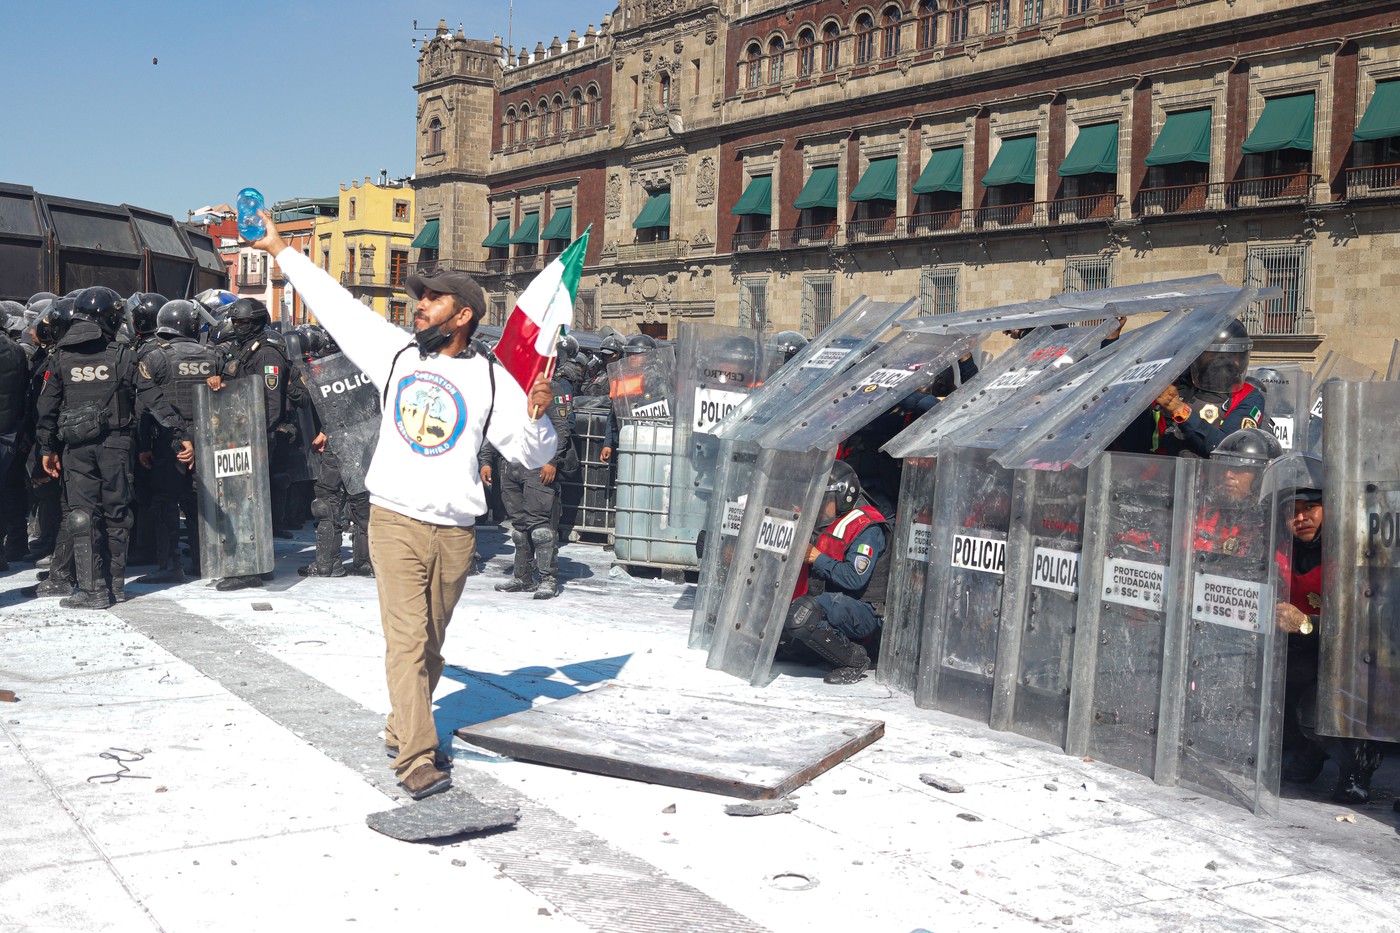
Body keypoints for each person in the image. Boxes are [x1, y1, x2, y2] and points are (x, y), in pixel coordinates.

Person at [249, 211, 556, 801]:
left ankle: (400, 723)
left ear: (462, 315)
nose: (419, 307)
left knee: (431, 646)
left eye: (433, 301)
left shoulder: (494, 381)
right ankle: (416, 754)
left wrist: (542, 415)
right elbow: (338, 307)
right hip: (392, 520)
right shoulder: (395, 355)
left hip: (456, 532)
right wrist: (283, 250)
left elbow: (530, 448)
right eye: (420, 299)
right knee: (408, 642)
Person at [34, 287, 188, 608]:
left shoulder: (60, 357)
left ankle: (92, 590)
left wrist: (47, 449)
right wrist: (178, 432)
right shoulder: (124, 354)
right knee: (117, 513)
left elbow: (46, 407)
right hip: (117, 445)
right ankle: (116, 587)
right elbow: (152, 398)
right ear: (109, 317)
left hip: (76, 449)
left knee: (82, 516)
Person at [1273, 458, 1385, 803]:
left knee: (1315, 712)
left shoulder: (1353, 554)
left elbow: (1365, 626)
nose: (1301, 518)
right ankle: (1310, 749)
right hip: (1301, 652)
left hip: (1353, 660)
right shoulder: (1279, 551)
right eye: (1292, 511)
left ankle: (1357, 765)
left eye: (1311, 508)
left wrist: (1306, 624)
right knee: (1273, 693)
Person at [204, 297, 301, 590]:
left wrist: (254, 438)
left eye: (243, 322)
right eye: (235, 321)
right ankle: (251, 563)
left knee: (249, 500)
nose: (237, 326)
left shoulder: (267, 353)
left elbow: (270, 405)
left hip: (258, 439)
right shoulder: (241, 349)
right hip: (239, 437)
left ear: (257, 322)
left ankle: (249, 568)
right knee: (239, 498)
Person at [779, 460, 890, 685]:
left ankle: (854, 659)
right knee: (786, 624)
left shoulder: (867, 527)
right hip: (833, 600)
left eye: (823, 500)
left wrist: (816, 558)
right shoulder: (829, 520)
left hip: (864, 609)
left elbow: (854, 577)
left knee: (804, 614)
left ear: (843, 496)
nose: (818, 506)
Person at [134, 300, 218, 583]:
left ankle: (170, 565)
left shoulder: (155, 357)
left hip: (170, 440)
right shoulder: (214, 355)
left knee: (166, 501)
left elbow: (144, 406)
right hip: (208, 438)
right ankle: (203, 560)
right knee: (200, 501)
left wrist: (144, 445)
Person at [1116, 320, 1268, 458]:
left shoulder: (1248, 396)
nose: (1223, 361)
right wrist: (1111, 339)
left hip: (1212, 481)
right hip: (1163, 476)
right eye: (1213, 354)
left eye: (1232, 355)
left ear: (1241, 358)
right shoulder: (1170, 387)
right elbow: (1133, 442)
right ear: (1197, 356)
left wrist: (1180, 410)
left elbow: (1227, 450)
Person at [482, 372, 575, 598]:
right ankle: (523, 577)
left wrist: (551, 461)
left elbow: (561, 428)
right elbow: (496, 429)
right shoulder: (507, 391)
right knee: (520, 528)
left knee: (540, 527)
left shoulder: (547, 388)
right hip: (510, 466)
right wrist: (486, 460)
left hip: (537, 465)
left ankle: (548, 579)